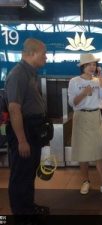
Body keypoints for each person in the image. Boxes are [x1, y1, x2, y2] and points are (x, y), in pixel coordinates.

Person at [5, 38, 50, 215]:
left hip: (33, 130)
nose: (46, 57)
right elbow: (14, 109)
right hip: (24, 131)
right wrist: (22, 141)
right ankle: (21, 214)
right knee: (20, 174)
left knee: (29, 172)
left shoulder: (30, 73)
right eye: (44, 53)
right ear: (32, 53)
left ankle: (28, 207)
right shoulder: (17, 75)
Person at [68, 53, 102, 196]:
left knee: (98, 151)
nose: (92, 67)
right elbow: (72, 103)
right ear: (83, 66)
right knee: (82, 151)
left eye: (94, 64)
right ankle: (85, 181)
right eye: (89, 64)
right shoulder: (74, 81)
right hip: (81, 116)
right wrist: (84, 93)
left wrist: (100, 76)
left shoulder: (97, 81)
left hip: (95, 116)